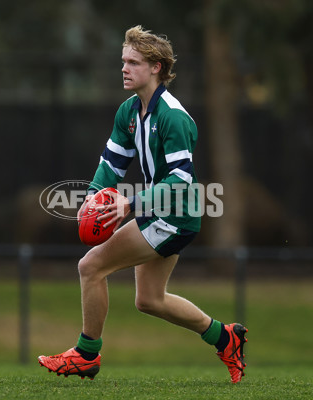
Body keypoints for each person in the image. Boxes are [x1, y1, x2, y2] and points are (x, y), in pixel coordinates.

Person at [38, 25, 248, 383]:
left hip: (176, 216)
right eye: (123, 61)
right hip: (160, 213)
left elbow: (182, 181)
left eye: (133, 62)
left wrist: (129, 204)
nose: (124, 68)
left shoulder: (173, 117)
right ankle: (224, 337)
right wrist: (93, 197)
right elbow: (111, 163)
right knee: (149, 300)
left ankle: (86, 354)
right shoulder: (130, 112)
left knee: (90, 267)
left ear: (156, 67)